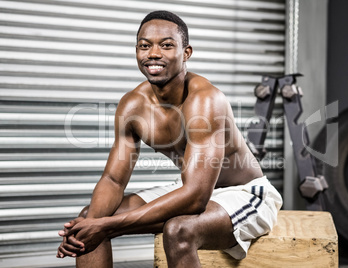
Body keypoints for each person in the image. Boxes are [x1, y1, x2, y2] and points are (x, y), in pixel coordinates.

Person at [56, 10, 282, 268]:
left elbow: (196, 196)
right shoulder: (132, 106)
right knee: (88, 218)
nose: (153, 54)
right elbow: (113, 180)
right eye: (144, 46)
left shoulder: (205, 100)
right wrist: (91, 227)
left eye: (166, 45)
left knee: (179, 230)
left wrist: (106, 226)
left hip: (244, 193)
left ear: (186, 53)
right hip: (190, 186)